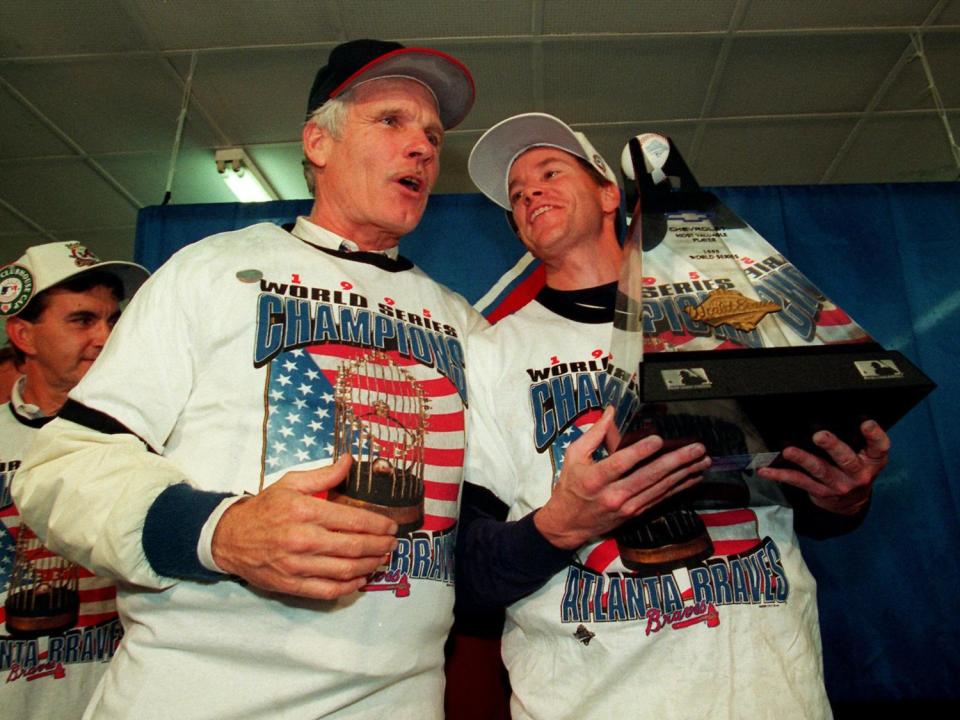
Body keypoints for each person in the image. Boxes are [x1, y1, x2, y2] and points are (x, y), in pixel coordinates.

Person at [14, 40, 483, 720]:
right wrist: (224, 531)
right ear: (318, 141)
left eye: (433, 135)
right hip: (199, 695)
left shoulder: (460, 321)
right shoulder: (212, 271)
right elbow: (59, 470)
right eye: (391, 122)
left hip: (397, 700)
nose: (422, 148)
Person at [459, 113, 890, 719]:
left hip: (771, 691)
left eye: (550, 171)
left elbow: (800, 485)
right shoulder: (488, 352)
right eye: (516, 193)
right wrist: (560, 525)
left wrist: (843, 498)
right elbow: (466, 574)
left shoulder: (729, 310)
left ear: (610, 192)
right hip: (596, 701)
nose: (530, 192)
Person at [0, 241, 148, 718]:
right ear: (23, 334)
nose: (105, 337)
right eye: (82, 320)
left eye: (112, 320)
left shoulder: (152, 441)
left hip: (117, 698)